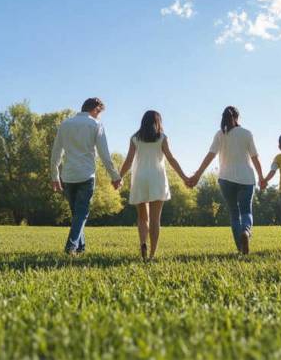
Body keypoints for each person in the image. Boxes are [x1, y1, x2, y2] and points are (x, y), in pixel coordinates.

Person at [188, 106, 266, 255]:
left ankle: (241, 248)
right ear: (237, 117)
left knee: (234, 213)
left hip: (225, 179)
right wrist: (261, 177)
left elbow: (210, 155)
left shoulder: (220, 134)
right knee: (246, 211)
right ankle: (246, 231)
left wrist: (197, 175)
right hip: (246, 178)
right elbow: (255, 157)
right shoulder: (246, 133)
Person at [50, 97, 122, 256]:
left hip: (68, 176)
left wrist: (55, 176)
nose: (99, 116)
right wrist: (115, 176)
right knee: (81, 214)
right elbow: (105, 155)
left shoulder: (65, 124)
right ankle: (71, 247)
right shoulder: (96, 124)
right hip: (86, 175)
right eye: (99, 113)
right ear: (96, 109)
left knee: (77, 215)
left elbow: (56, 153)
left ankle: (80, 248)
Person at [119, 110, 188, 261]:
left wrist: (118, 177)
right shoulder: (162, 138)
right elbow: (171, 159)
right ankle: (152, 254)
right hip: (157, 178)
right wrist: (184, 177)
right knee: (155, 219)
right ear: (158, 122)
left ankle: (143, 243)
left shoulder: (135, 138)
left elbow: (129, 161)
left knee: (142, 217)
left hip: (140, 178)